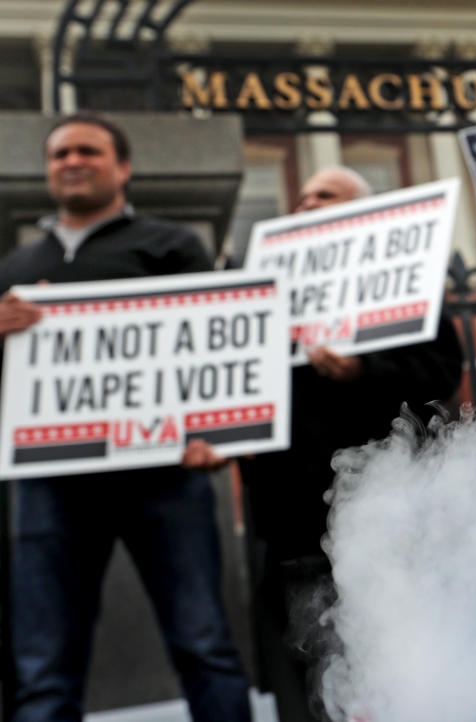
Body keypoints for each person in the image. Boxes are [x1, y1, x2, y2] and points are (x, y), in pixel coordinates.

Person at [186, 166, 464, 722]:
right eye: (303, 196)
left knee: (398, 677)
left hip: (388, 524)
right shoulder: (264, 297)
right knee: (307, 682)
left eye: (327, 195)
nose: (308, 203)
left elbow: (440, 373)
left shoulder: (405, 281)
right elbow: (232, 387)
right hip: (290, 528)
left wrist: (363, 371)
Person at [0, 113, 252, 721]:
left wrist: (215, 433)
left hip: (163, 474)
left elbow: (213, 348)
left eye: (87, 150)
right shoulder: (13, 270)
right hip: (49, 483)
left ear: (124, 167)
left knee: (203, 645)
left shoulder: (172, 245)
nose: (72, 161)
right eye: (60, 153)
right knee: (43, 663)